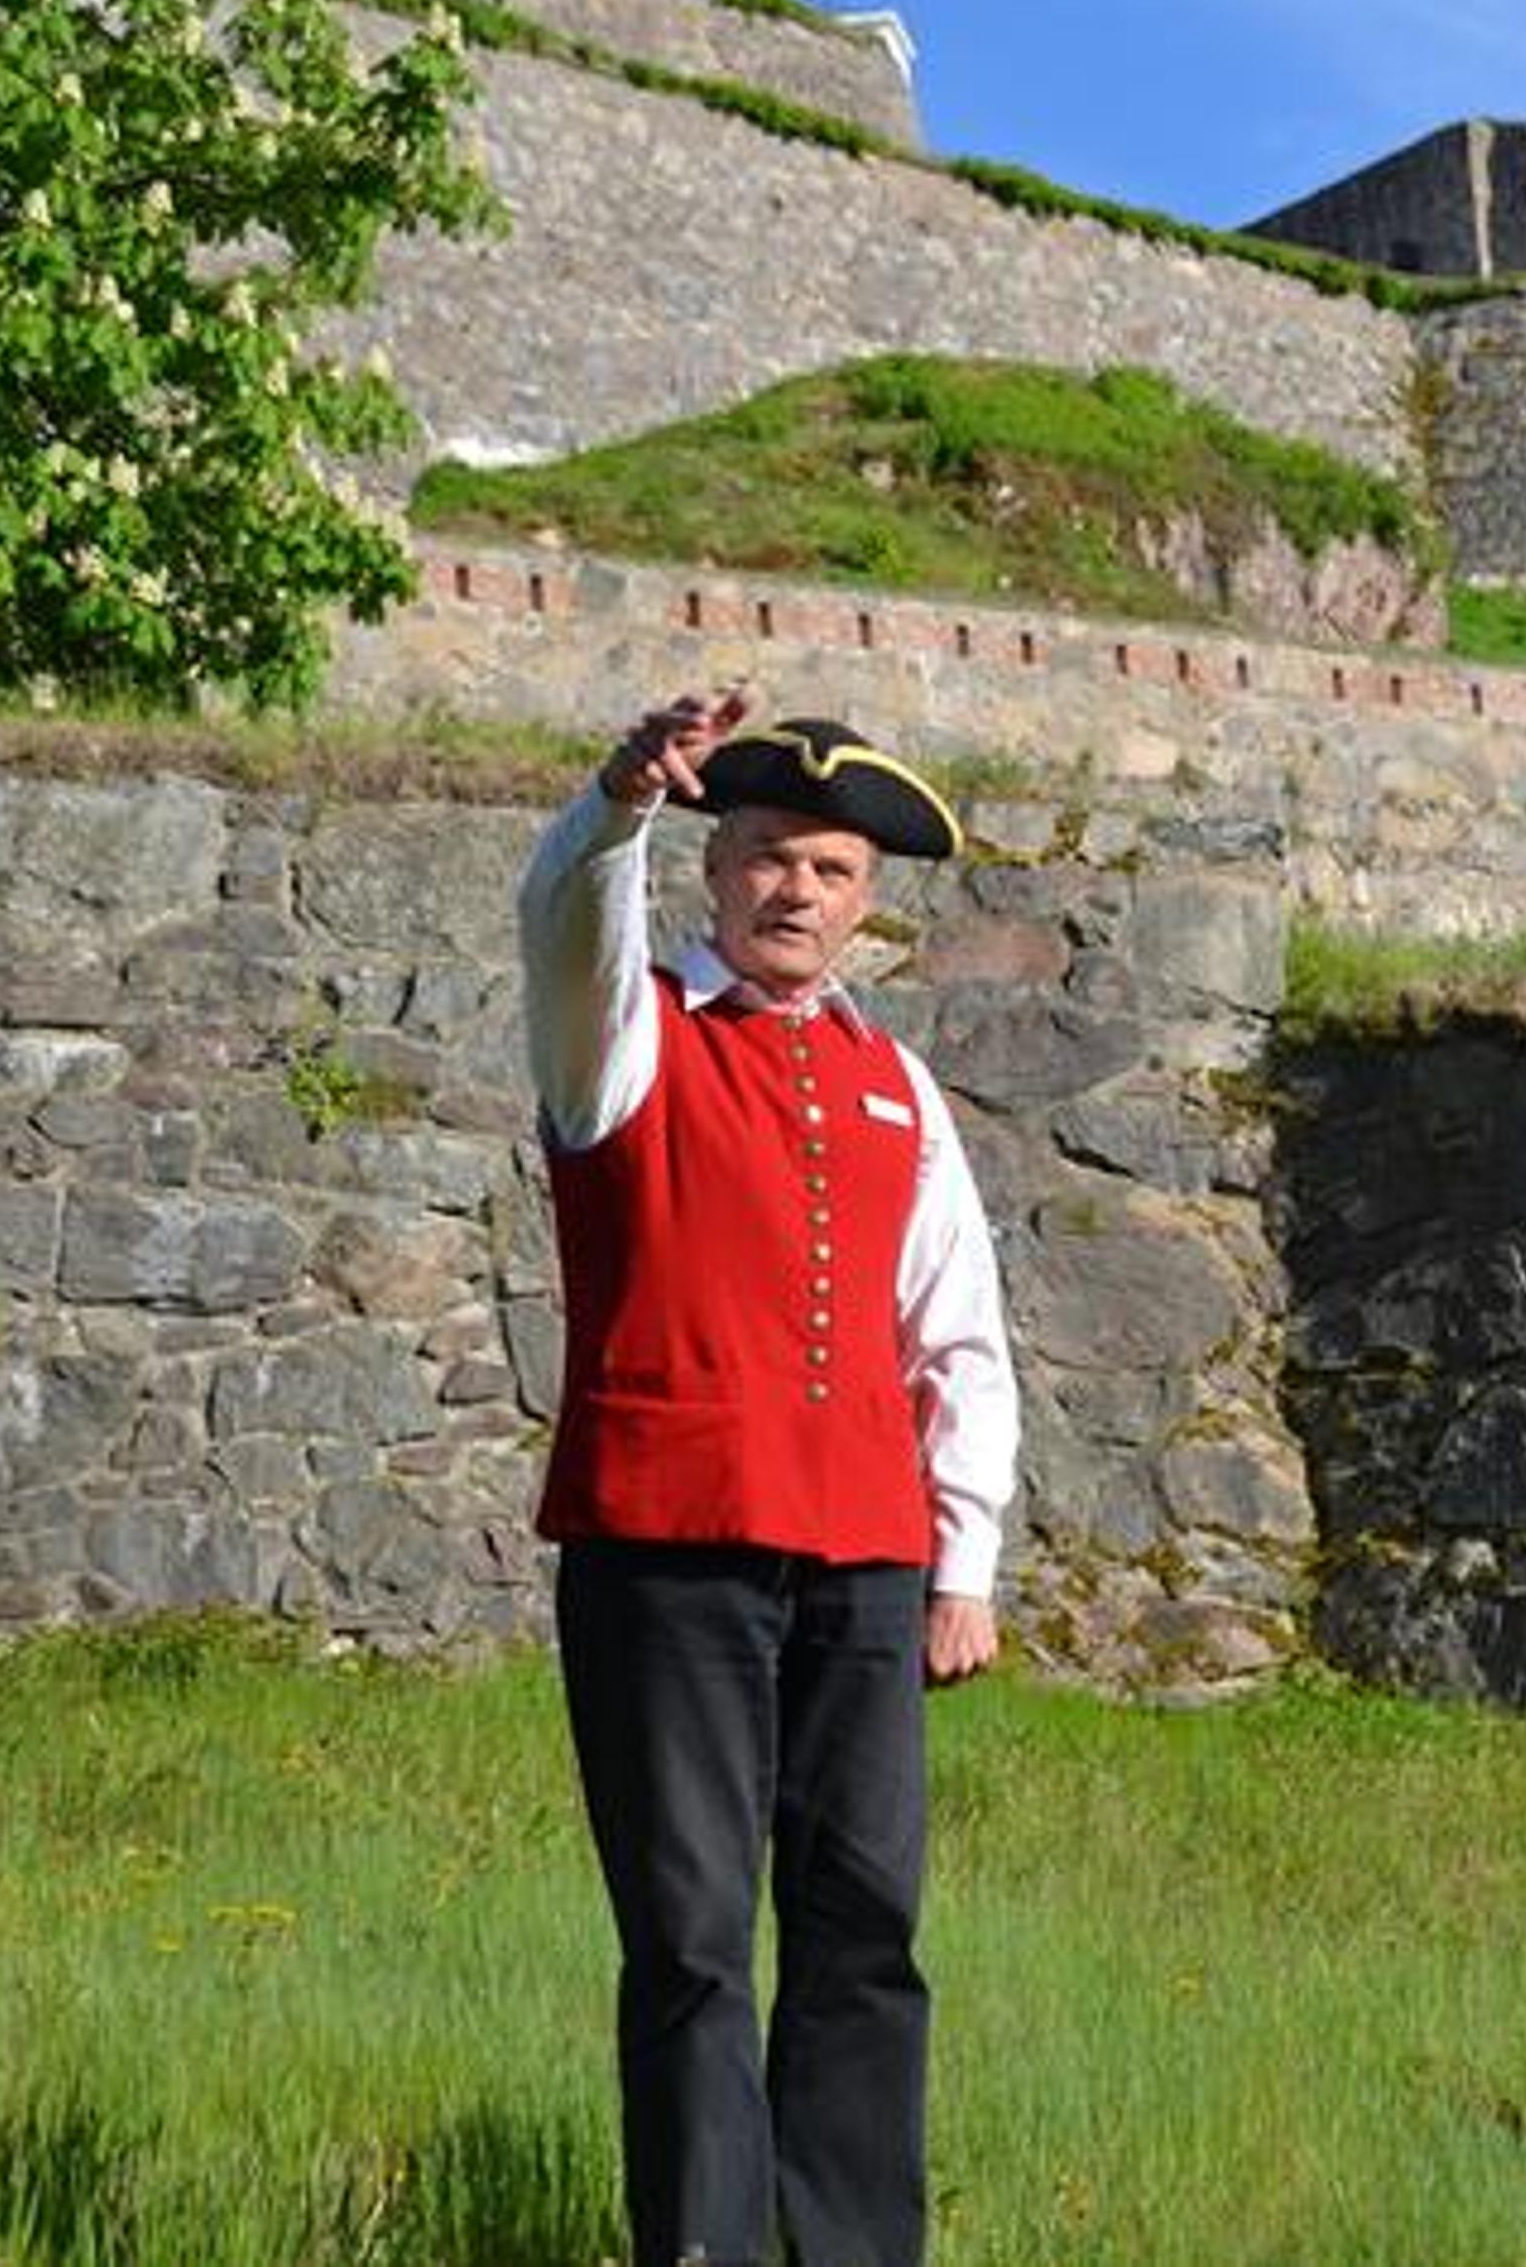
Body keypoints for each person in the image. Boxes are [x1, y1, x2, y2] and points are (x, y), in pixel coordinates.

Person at [517, 689, 1019, 2267]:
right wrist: (615, 804)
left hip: (866, 1560)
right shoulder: (624, 1034)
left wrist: (966, 1559)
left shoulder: (901, 1086)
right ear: (714, 868)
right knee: (690, 1936)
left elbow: (958, 1330)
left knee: (866, 1927)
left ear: (866, 899)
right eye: (764, 860)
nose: (794, 892)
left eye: (829, 870)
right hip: (667, 1551)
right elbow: (560, 922)